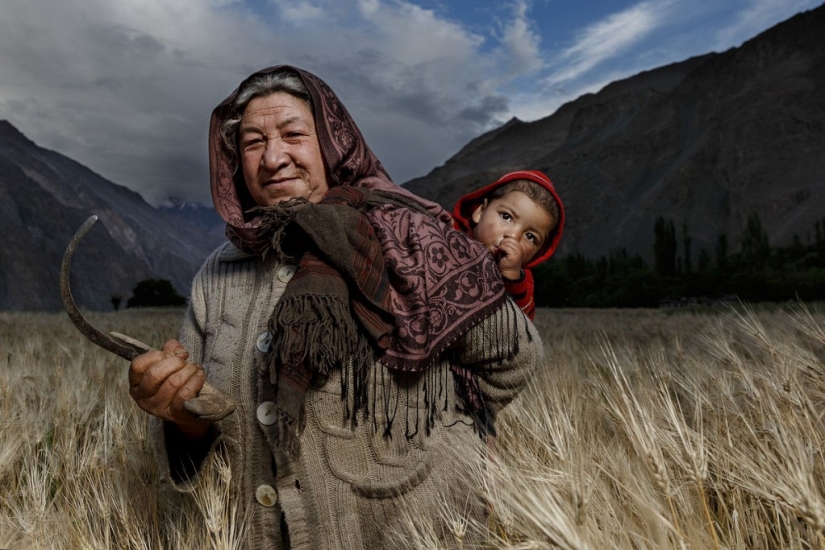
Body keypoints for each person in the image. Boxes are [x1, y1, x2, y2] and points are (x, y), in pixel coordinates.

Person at [128, 66, 542, 549]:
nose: (273, 157)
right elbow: (199, 418)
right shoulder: (218, 275)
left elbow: (515, 360)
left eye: (293, 134)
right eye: (253, 143)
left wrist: (447, 442)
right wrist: (182, 417)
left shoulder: (411, 240)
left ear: (333, 143)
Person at [453, 170, 565, 320]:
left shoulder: (524, 282)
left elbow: (520, 326)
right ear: (481, 211)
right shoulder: (447, 229)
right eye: (506, 217)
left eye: (530, 236)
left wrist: (511, 276)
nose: (513, 236)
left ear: (538, 252)